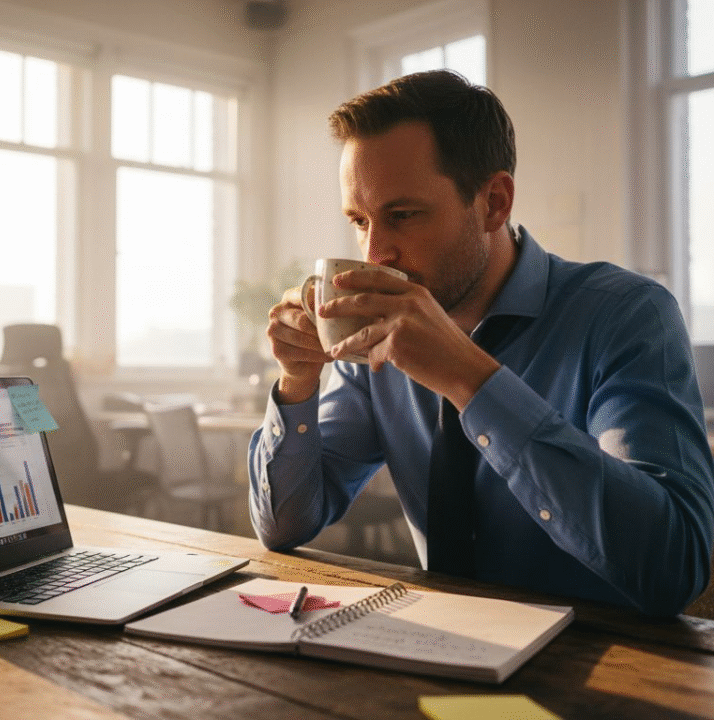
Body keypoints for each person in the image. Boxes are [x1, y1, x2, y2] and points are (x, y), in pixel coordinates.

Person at [248, 69, 714, 616]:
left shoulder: (626, 314)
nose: (375, 255)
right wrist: (297, 384)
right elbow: (283, 526)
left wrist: (470, 380)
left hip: (605, 665)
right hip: (440, 647)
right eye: (359, 220)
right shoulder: (373, 340)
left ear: (494, 202)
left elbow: (673, 567)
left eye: (402, 216)